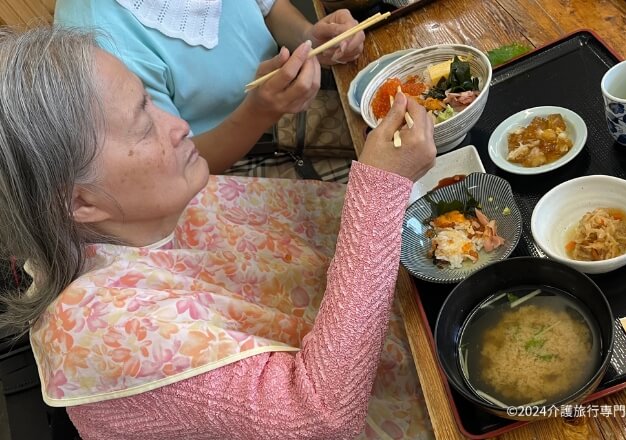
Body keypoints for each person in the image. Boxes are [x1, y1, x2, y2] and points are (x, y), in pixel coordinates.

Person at [0, 26, 436, 439]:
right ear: (79, 202)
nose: (178, 125)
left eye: (151, 101)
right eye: (143, 124)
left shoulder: (131, 214)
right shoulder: (100, 335)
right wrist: (379, 190)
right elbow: (321, 415)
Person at [54, 0, 366, 181]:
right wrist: (259, 112)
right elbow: (167, 170)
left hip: (290, 117)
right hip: (226, 173)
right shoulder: (94, 38)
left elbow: (268, 7)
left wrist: (310, 35)